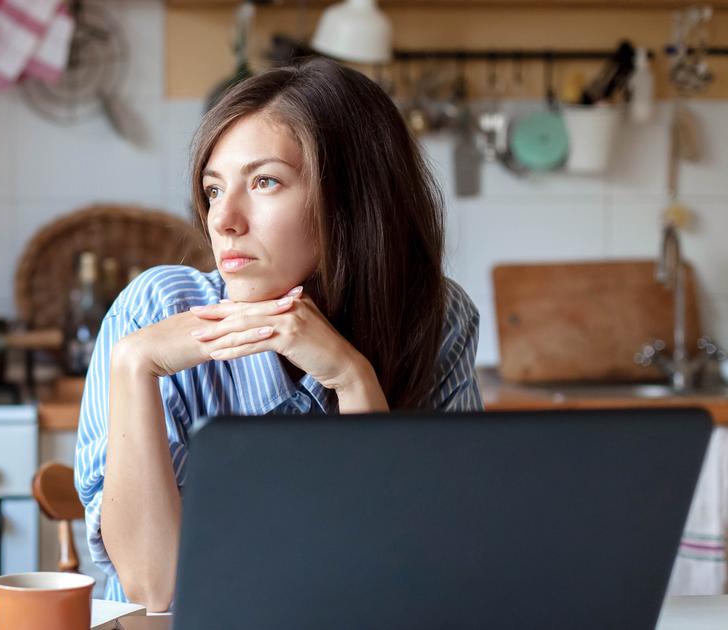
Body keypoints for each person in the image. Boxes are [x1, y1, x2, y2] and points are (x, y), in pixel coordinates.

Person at [74, 58, 483, 612]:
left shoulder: (437, 315)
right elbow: (156, 587)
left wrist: (352, 378)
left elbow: (409, 566)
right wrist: (133, 364)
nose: (223, 220)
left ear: (353, 201)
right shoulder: (156, 308)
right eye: (214, 189)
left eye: (264, 182)